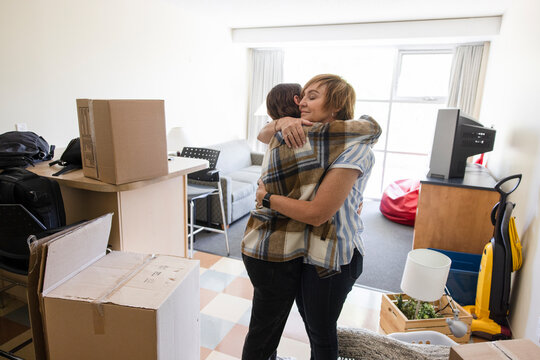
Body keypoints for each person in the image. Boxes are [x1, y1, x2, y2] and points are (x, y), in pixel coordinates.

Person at [242, 74, 381, 360]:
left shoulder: (355, 148)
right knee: (305, 325)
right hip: (304, 251)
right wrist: (281, 121)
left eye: (312, 97)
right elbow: (264, 135)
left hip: (333, 256)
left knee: (320, 332)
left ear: (336, 108)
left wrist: (267, 198)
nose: (302, 102)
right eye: (303, 96)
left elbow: (317, 213)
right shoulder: (310, 139)